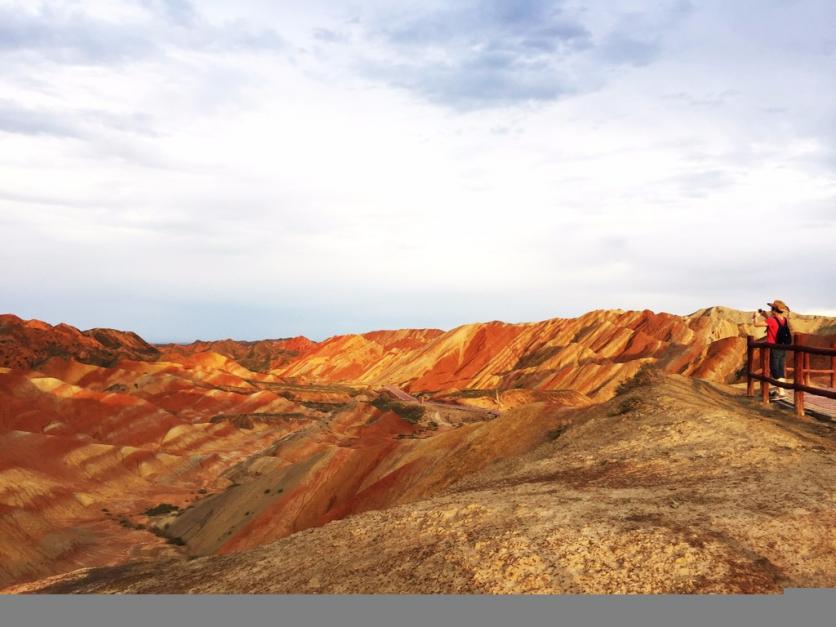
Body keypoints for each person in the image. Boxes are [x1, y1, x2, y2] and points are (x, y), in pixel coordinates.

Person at [752, 299, 791, 399]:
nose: (770, 309)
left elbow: (756, 325)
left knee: (774, 369)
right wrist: (766, 316)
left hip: (774, 347)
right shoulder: (784, 320)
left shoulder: (771, 320)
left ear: (774, 309)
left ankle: (781, 392)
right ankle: (781, 391)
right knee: (780, 369)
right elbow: (775, 324)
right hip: (782, 347)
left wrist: (755, 317)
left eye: (771, 308)